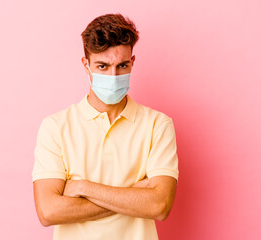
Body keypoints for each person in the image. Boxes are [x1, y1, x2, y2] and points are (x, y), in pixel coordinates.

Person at [32, 13, 179, 240]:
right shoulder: (55, 127)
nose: (113, 75)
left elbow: (160, 206)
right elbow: (49, 211)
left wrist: (83, 187)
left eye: (122, 65)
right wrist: (136, 195)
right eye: (102, 66)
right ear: (86, 65)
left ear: (132, 62)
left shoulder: (158, 125)